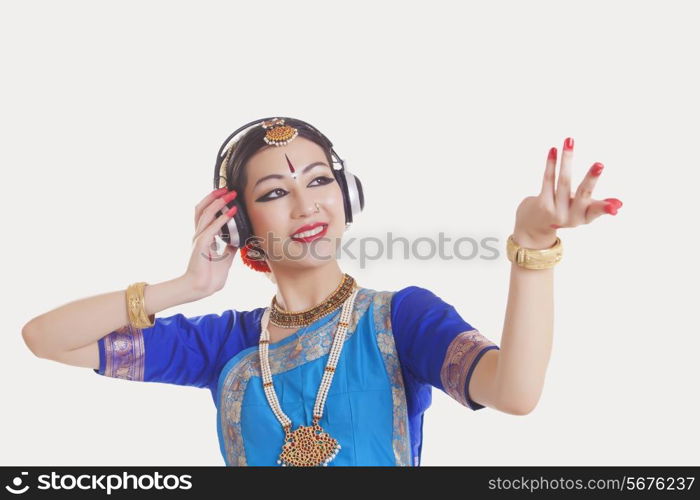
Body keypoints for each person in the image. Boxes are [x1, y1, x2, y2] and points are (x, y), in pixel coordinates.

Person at [21, 117, 623, 466]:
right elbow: (44, 338)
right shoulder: (223, 345)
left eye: (318, 181)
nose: (307, 204)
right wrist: (186, 286)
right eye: (276, 193)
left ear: (348, 197)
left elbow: (515, 393)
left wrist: (531, 249)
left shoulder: (401, 320)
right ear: (241, 228)